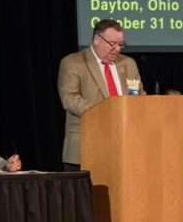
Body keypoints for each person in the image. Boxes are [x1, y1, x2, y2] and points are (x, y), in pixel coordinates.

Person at [57, 18, 145, 170]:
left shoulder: (128, 64)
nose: (118, 49)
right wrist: (107, 111)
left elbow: (138, 95)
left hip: (124, 146)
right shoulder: (73, 62)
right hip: (87, 145)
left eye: (120, 44)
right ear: (97, 39)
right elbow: (69, 98)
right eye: (113, 44)